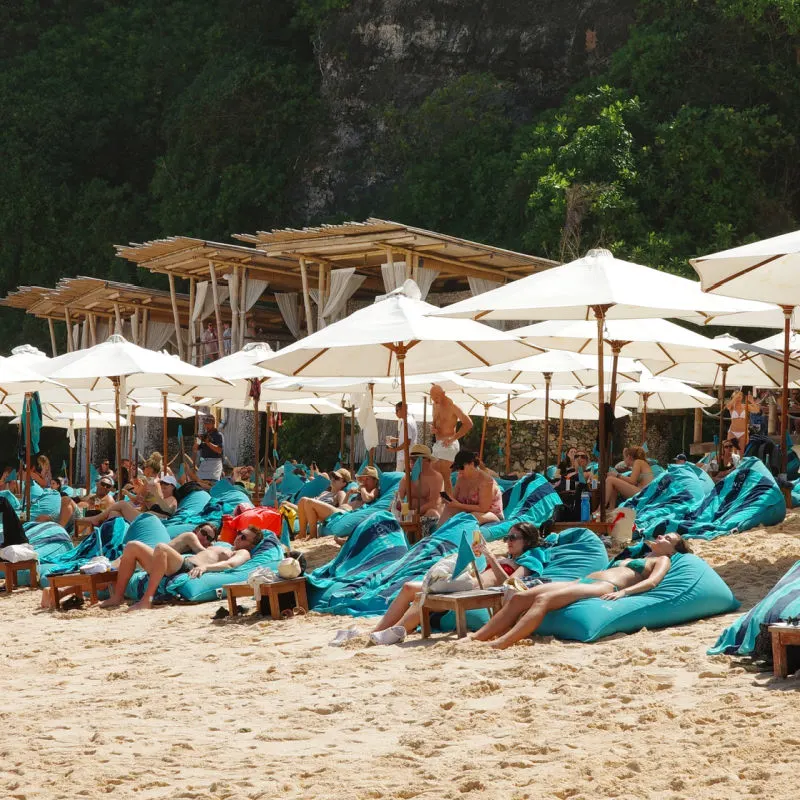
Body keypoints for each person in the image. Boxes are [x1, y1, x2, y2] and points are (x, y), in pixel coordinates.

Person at [469, 532, 691, 649]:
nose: (661, 537)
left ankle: (503, 642)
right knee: (520, 597)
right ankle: (477, 637)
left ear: (673, 550)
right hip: (583, 580)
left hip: (603, 587)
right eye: (663, 535)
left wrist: (623, 593)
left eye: (668, 539)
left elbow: (653, 582)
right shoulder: (640, 555)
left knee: (544, 599)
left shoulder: (662, 559)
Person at [363, 522, 543, 645]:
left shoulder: (528, 560)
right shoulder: (506, 558)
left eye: (513, 537)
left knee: (423, 596)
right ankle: (379, 630)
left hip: (472, 590)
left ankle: (395, 632)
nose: (508, 541)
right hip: (467, 584)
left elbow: (510, 584)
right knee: (408, 587)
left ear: (527, 541)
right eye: (507, 538)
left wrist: (491, 557)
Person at [99, 523, 261, 611]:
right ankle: (117, 596)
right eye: (239, 533)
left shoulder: (243, 553)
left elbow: (230, 564)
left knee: (161, 548)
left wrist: (206, 568)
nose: (239, 537)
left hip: (188, 567)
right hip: (178, 563)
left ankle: (147, 600)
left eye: (244, 537)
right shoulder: (222, 544)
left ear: (251, 545)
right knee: (132, 546)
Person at [75, 474, 178, 532]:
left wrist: (156, 494)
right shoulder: (162, 499)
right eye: (162, 487)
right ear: (97, 484)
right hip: (145, 517)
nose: (163, 489)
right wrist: (143, 503)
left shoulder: (172, 499)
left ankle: (96, 519)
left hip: (150, 521)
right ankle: (108, 539)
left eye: (165, 487)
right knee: (114, 514)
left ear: (173, 487)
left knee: (122, 504)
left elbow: (169, 510)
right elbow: (146, 507)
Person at [438, 449, 503, 527]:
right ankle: (438, 533)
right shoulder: (461, 478)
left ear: (471, 464)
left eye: (461, 468)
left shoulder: (486, 481)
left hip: (490, 514)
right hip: (467, 512)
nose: (459, 471)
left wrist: (459, 505)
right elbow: (454, 499)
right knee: (448, 509)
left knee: (470, 517)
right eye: (457, 468)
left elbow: (483, 508)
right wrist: (447, 498)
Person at [430, 384, 473, 491]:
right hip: (438, 444)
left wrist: (453, 438)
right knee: (433, 474)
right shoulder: (435, 405)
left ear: (443, 394)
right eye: (432, 397)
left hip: (450, 443)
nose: (434, 400)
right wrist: (433, 429)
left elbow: (468, 424)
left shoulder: (453, 406)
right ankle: (438, 499)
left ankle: (448, 500)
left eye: (436, 397)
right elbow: (436, 423)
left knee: (445, 476)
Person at [393, 444, 444, 535]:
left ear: (427, 460)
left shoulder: (436, 478)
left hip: (428, 515)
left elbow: (434, 503)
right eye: (411, 459)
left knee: (432, 513)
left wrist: (415, 512)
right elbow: (398, 498)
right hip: (410, 516)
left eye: (416, 459)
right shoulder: (407, 478)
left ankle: (425, 540)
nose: (412, 462)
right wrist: (395, 508)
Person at [287, 468, 351, 540]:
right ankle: (302, 534)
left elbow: (343, 509)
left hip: (324, 515)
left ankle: (313, 535)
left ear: (344, 483)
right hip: (311, 511)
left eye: (337, 478)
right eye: (333, 476)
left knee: (307, 501)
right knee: (302, 500)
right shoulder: (325, 492)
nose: (333, 479)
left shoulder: (340, 493)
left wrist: (348, 494)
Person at [601, 446, 653, 511]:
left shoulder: (638, 462)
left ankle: (600, 509)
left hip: (643, 494)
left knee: (610, 479)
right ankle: (611, 508)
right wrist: (617, 477)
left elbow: (632, 481)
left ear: (629, 457)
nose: (624, 460)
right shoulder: (641, 462)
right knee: (613, 482)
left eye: (624, 457)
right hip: (644, 492)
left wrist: (617, 475)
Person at [387, 402, 418, 473]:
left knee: (399, 477)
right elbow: (408, 439)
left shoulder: (407, 422)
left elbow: (407, 442)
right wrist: (396, 440)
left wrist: (394, 449)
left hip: (404, 456)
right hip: (407, 455)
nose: (396, 413)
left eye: (397, 410)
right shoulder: (411, 420)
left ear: (403, 409)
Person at [193, 416, 224, 482]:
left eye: (208, 423)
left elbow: (219, 450)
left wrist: (208, 443)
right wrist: (198, 441)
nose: (206, 426)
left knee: (213, 483)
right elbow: (195, 449)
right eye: (205, 424)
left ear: (213, 423)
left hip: (215, 463)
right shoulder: (204, 435)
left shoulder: (218, 435)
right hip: (204, 463)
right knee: (199, 482)